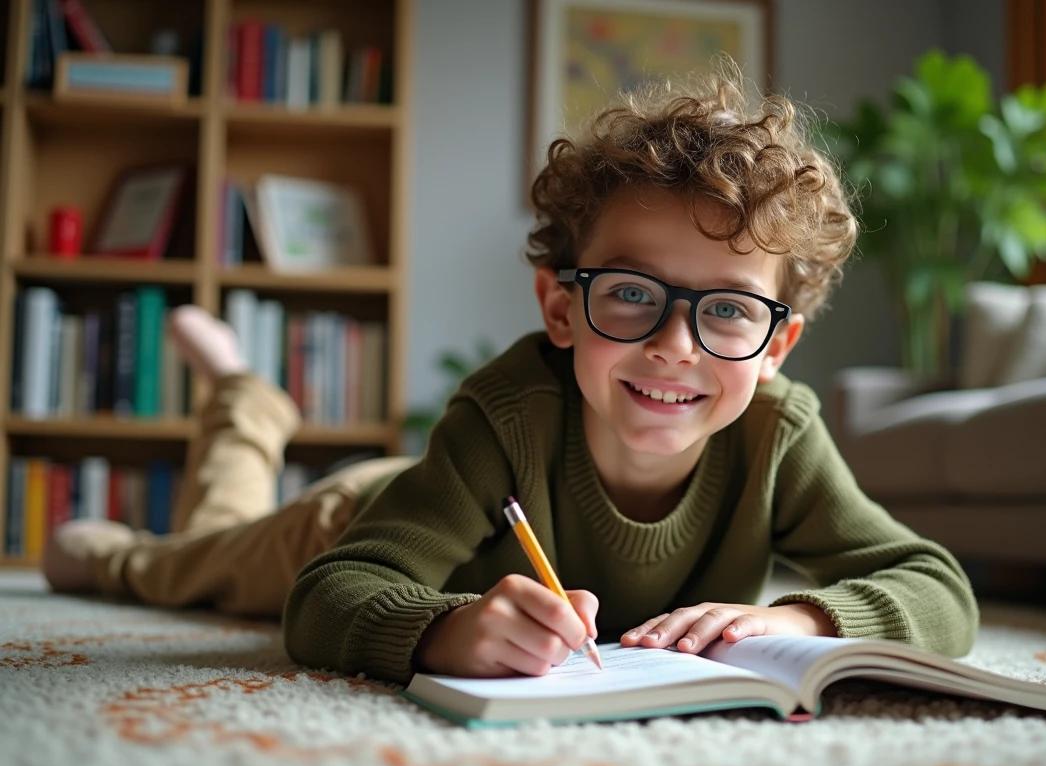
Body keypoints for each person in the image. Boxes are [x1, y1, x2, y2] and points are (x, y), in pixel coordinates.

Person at [43, 61, 979, 685]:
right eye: (631, 294)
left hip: (438, 506)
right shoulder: (504, 414)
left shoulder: (781, 433)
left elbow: (937, 586)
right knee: (184, 567)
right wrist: (449, 629)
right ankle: (212, 430)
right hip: (354, 520)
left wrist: (808, 623)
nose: (676, 346)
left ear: (777, 345)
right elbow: (330, 594)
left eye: (729, 308)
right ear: (562, 308)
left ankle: (247, 399)